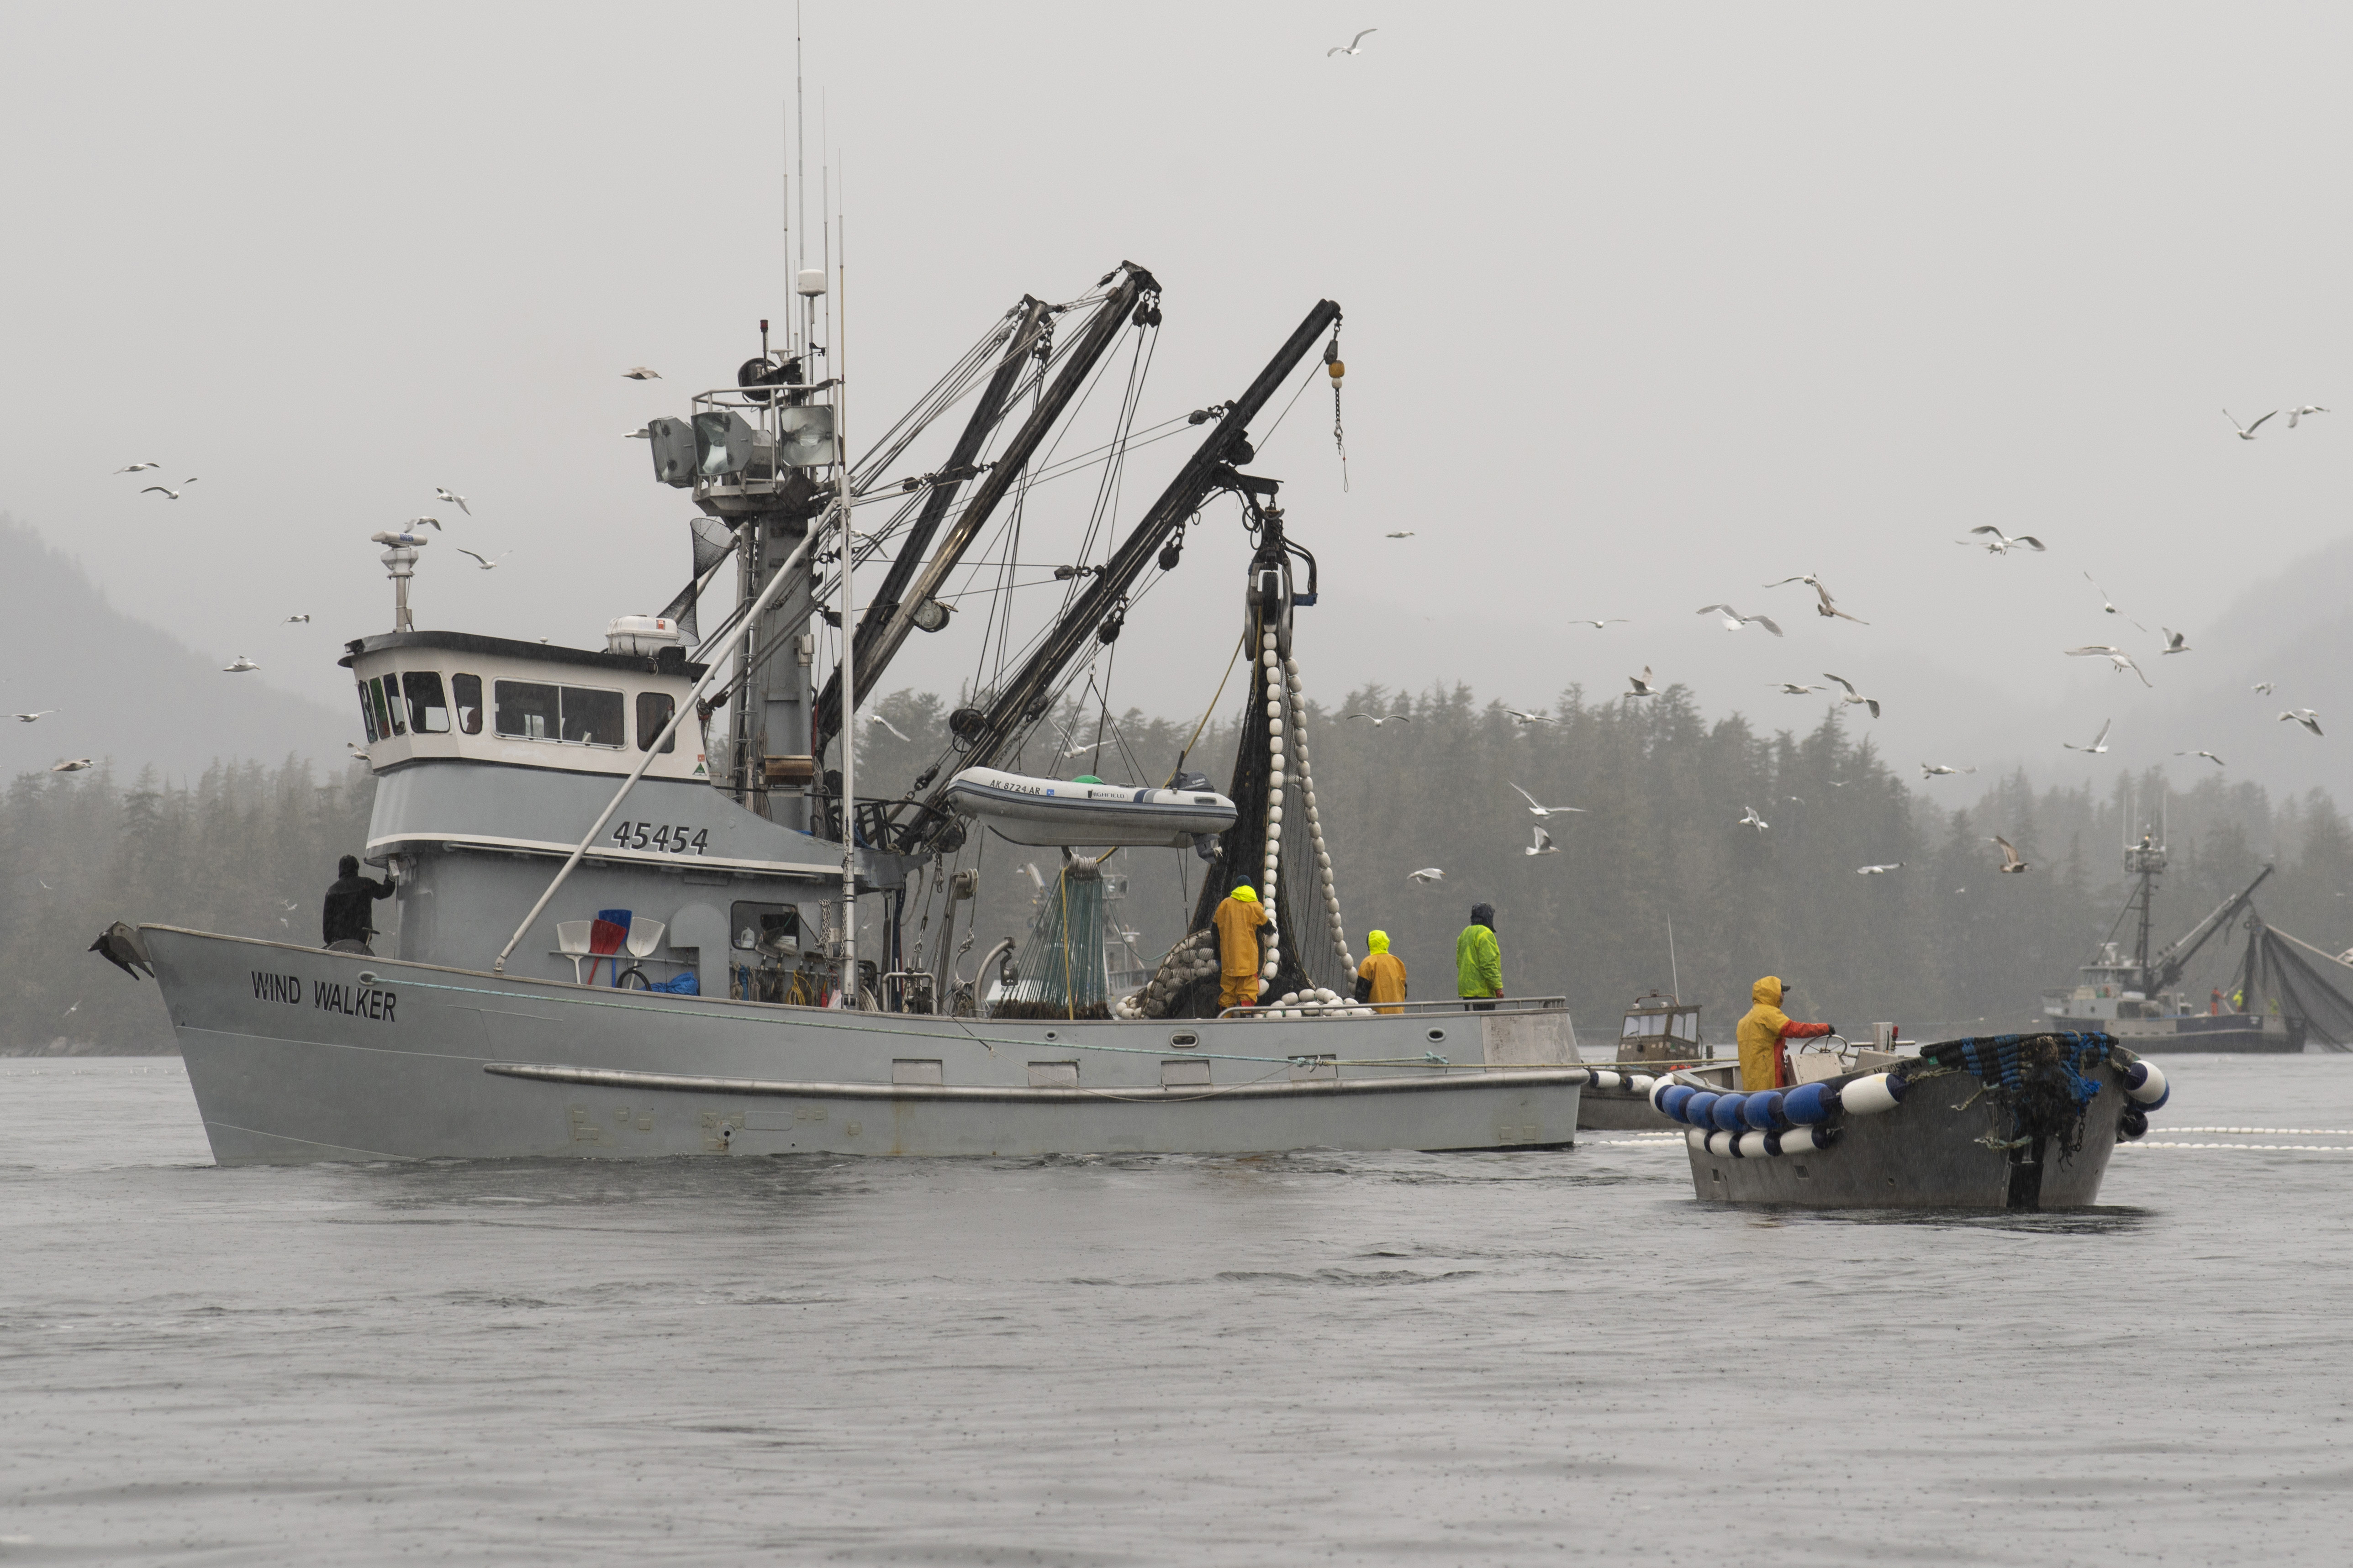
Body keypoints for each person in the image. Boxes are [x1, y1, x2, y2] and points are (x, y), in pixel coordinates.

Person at [1736, 975, 1833, 1091]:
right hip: (1769, 1081)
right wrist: (1825, 1028)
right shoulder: (1768, 1013)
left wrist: (1780, 1043)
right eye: (1781, 991)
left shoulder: (1745, 1019)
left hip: (1751, 1084)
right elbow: (1795, 1029)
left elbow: (1761, 1043)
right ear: (1772, 993)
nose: (1784, 995)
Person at [322, 854, 395, 953]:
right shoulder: (366, 884)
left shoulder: (331, 892)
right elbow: (386, 891)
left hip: (339, 943)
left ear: (340, 869)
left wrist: (330, 941)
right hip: (362, 941)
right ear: (357, 868)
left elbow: (327, 925)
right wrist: (391, 870)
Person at [1212, 883, 1268, 1010]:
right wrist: (1272, 930)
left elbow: (1214, 929)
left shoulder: (1225, 905)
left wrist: (1217, 954)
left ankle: (1226, 1018)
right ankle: (1246, 1018)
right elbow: (1266, 925)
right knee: (1248, 990)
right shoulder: (1255, 906)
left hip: (1229, 961)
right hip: (1247, 960)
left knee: (1228, 991)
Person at [1455, 903, 1502, 1010]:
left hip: (1467, 991)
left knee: (1471, 1024)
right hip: (1483, 991)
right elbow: (1488, 964)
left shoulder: (1465, 933)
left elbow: (1459, 962)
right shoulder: (1486, 934)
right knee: (1485, 1024)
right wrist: (1497, 987)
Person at [1355, 929, 1408, 1015]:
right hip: (1398, 1016)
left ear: (1370, 944)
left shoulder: (1368, 963)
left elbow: (1361, 994)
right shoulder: (1398, 962)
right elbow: (1404, 991)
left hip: (1376, 1018)